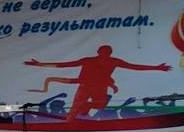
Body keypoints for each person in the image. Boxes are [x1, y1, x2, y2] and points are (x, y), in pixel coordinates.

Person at [24, 45, 171, 120]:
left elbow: (134, 67)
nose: (104, 54)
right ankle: (73, 119)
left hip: (96, 87)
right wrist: (156, 68)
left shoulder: (111, 61)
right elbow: (65, 65)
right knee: (76, 110)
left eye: (106, 52)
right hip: (88, 86)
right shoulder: (97, 61)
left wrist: (156, 68)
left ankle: (82, 109)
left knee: (96, 105)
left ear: (102, 52)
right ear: (103, 52)